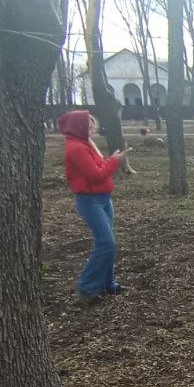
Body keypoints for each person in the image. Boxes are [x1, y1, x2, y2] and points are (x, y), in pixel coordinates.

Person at [59, 110, 126, 307]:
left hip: (103, 198)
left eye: (92, 124)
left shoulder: (87, 144)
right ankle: (87, 287)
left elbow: (98, 168)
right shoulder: (76, 148)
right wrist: (116, 161)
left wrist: (111, 159)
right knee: (106, 243)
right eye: (88, 125)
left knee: (108, 242)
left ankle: (107, 283)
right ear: (78, 127)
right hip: (90, 201)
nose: (92, 127)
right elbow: (96, 175)